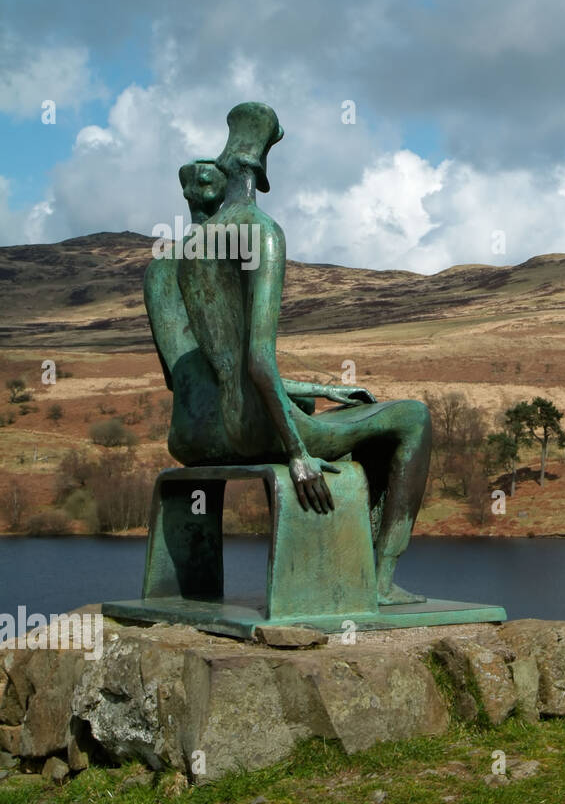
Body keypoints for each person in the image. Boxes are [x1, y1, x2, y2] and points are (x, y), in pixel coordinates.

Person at [151, 102, 432, 605]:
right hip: (254, 429)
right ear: (263, 173)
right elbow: (258, 361)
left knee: (341, 409)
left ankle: (358, 569)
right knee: (411, 418)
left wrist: (323, 390)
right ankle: (380, 579)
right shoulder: (261, 233)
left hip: (200, 432)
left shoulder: (184, 254)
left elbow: (208, 371)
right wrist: (298, 455)